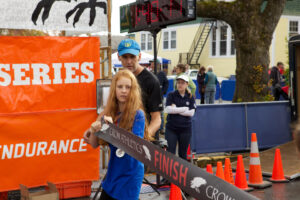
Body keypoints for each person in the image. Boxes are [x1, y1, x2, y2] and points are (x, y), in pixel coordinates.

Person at [84, 70, 148, 200]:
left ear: (133, 90)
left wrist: (112, 130)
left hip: (131, 173)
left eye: (128, 87)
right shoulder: (107, 113)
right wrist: (94, 130)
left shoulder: (138, 115)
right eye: (120, 87)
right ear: (114, 89)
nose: (124, 90)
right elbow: (93, 144)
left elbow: (134, 147)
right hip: (114, 172)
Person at [165, 74, 196, 160]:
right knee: (170, 153)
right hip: (171, 129)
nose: (180, 85)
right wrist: (184, 108)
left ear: (187, 84)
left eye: (182, 83)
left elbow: (191, 113)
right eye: (178, 82)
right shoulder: (171, 95)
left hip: (185, 129)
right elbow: (168, 110)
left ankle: (182, 173)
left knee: (183, 154)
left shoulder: (190, 97)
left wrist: (176, 109)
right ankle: (169, 173)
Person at [150, 59, 169, 135]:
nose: (151, 65)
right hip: (151, 97)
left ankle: (161, 128)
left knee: (160, 112)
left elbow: (166, 83)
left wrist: (163, 91)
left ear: (157, 64)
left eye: (153, 63)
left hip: (159, 97)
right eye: (151, 63)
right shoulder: (149, 73)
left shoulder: (161, 74)